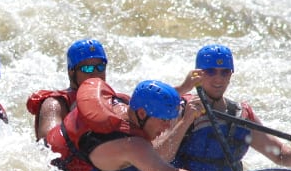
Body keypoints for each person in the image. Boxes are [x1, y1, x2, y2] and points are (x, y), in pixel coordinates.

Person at [146, 44, 291, 171]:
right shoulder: (180, 109)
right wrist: (186, 121)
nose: (218, 78)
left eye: (224, 72)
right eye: (211, 71)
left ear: (231, 74)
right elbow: (158, 159)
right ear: (198, 75)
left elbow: (284, 158)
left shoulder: (241, 115)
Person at [45, 78, 255, 171]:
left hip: (65, 158)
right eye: (164, 119)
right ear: (143, 114)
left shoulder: (125, 107)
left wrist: (184, 98)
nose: (167, 125)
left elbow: (156, 152)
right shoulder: (132, 146)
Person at [27, 38, 200, 141]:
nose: (95, 73)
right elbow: (48, 144)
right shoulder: (56, 103)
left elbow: (146, 108)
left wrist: (184, 88)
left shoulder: (112, 100)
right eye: (87, 69)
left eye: (100, 67)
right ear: (71, 71)